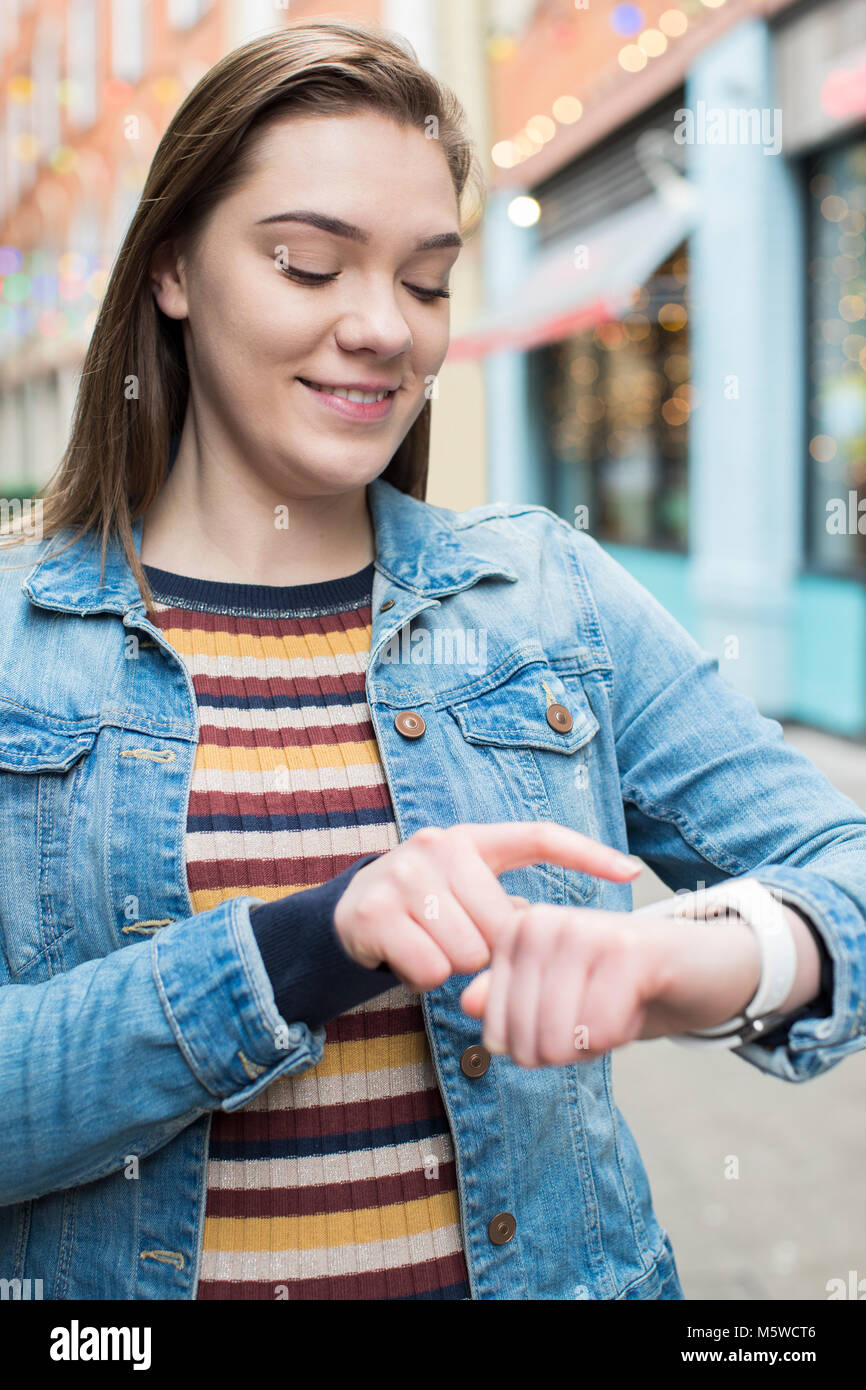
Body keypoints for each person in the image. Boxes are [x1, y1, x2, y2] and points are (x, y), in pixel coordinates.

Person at [0, 19, 862, 1303]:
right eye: (307, 265)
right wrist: (304, 946)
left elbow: (838, 871)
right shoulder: (21, 639)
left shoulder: (543, 593)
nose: (383, 330)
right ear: (172, 269)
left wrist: (697, 955)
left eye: (424, 279)